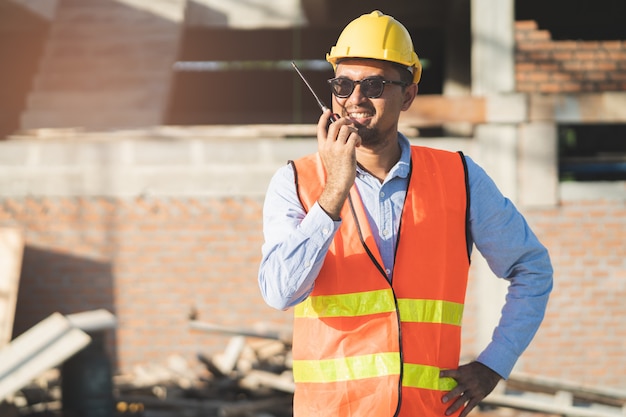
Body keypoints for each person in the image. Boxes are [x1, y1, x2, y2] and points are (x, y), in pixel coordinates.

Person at [258, 10, 553, 417]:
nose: (355, 99)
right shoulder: (296, 182)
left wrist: (494, 364)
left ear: (408, 95)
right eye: (343, 85)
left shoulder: (459, 177)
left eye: (374, 85)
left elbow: (531, 268)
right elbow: (279, 292)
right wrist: (334, 192)